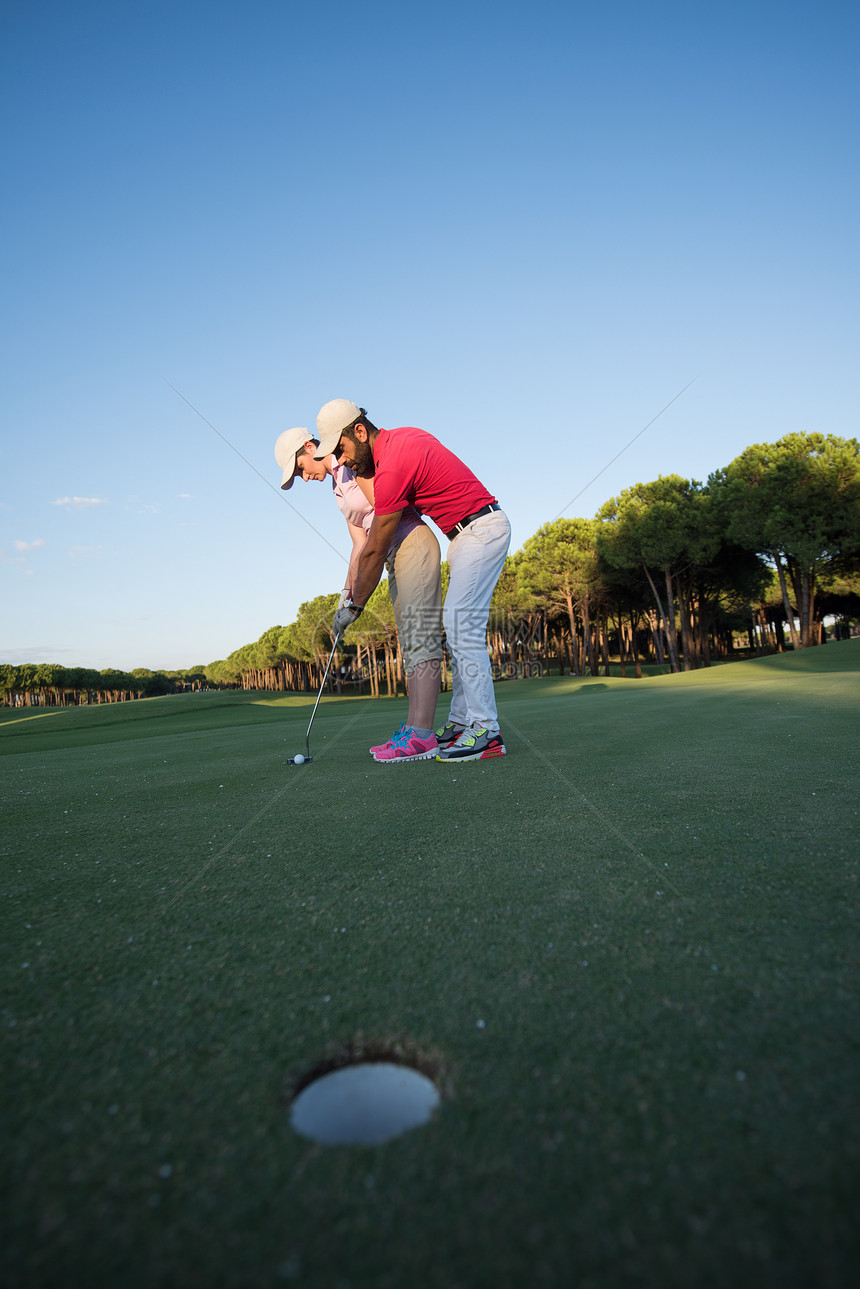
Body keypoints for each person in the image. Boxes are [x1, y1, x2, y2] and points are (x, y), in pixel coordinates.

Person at [317, 400, 511, 763]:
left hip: (481, 530)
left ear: (360, 431)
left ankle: (487, 732)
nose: (341, 461)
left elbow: (374, 551)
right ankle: (458, 722)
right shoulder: (403, 438)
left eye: (341, 450)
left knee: (460, 625)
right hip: (465, 535)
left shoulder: (392, 467)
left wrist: (355, 605)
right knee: (457, 625)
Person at [274, 426, 443, 762]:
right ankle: (413, 731)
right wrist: (346, 595)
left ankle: (423, 736)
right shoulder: (338, 487)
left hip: (411, 544)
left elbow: (384, 514)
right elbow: (358, 545)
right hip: (392, 555)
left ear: (310, 447)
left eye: (299, 468)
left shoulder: (352, 461)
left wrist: (360, 600)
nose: (303, 477)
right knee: (410, 641)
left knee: (421, 637)